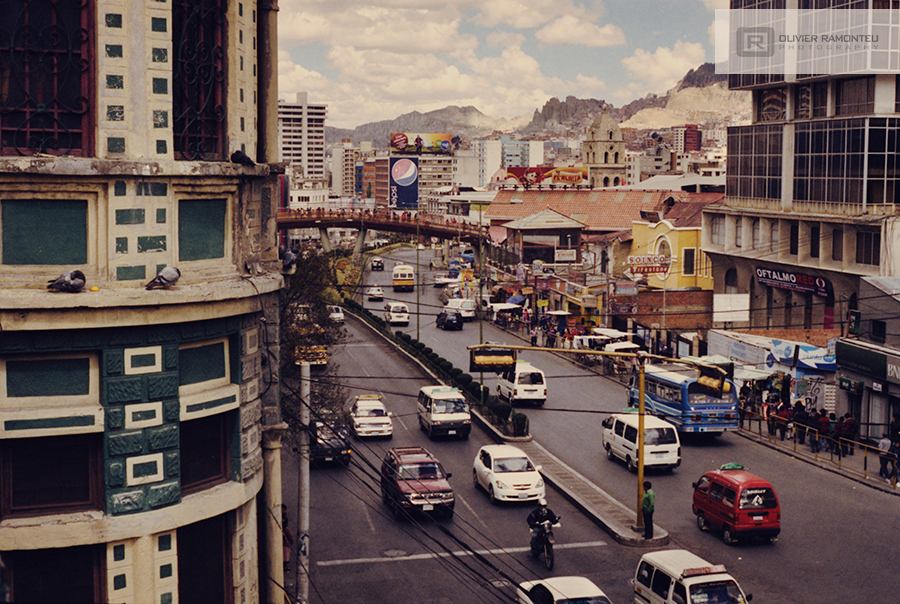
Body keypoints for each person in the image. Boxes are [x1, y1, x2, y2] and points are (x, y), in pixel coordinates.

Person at [281, 504, 295, 572]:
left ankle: (285, 566)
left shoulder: (284, 517)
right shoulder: (283, 517)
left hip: (284, 539)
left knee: (285, 552)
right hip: (283, 537)